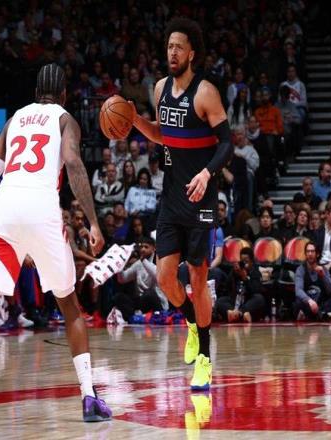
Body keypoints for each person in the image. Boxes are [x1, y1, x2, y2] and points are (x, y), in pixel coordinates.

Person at [0, 64, 111, 428]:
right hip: (42, 210)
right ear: (63, 95)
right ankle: (89, 398)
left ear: (36, 93)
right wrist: (94, 222)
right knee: (70, 306)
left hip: (6, 209)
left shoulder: (15, 118)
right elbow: (73, 164)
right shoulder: (65, 119)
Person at [129, 17, 233, 391]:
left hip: (201, 196)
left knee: (199, 279)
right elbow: (163, 135)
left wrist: (207, 173)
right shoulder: (160, 89)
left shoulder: (206, 93)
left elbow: (227, 144)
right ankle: (190, 320)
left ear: (191, 54)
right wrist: (134, 120)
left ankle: (204, 357)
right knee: (165, 278)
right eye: (169, 46)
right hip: (172, 196)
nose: (172, 52)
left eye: (179, 47)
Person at [294, 242, 331, 322]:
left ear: (317, 254)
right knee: (297, 303)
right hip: (308, 304)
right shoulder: (300, 269)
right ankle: (324, 315)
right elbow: (298, 290)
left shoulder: (323, 269)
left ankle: (311, 316)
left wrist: (324, 276)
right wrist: (309, 301)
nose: (310, 254)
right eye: (308, 251)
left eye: (312, 251)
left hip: (320, 303)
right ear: (305, 254)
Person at [215, 247, 265, 323]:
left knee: (259, 299)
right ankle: (240, 315)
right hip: (235, 302)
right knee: (219, 301)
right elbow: (227, 288)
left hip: (248, 302)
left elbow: (255, 290)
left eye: (246, 262)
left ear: (252, 262)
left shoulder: (255, 273)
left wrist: (245, 278)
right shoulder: (236, 271)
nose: (244, 264)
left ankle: (237, 314)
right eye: (242, 262)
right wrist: (233, 274)